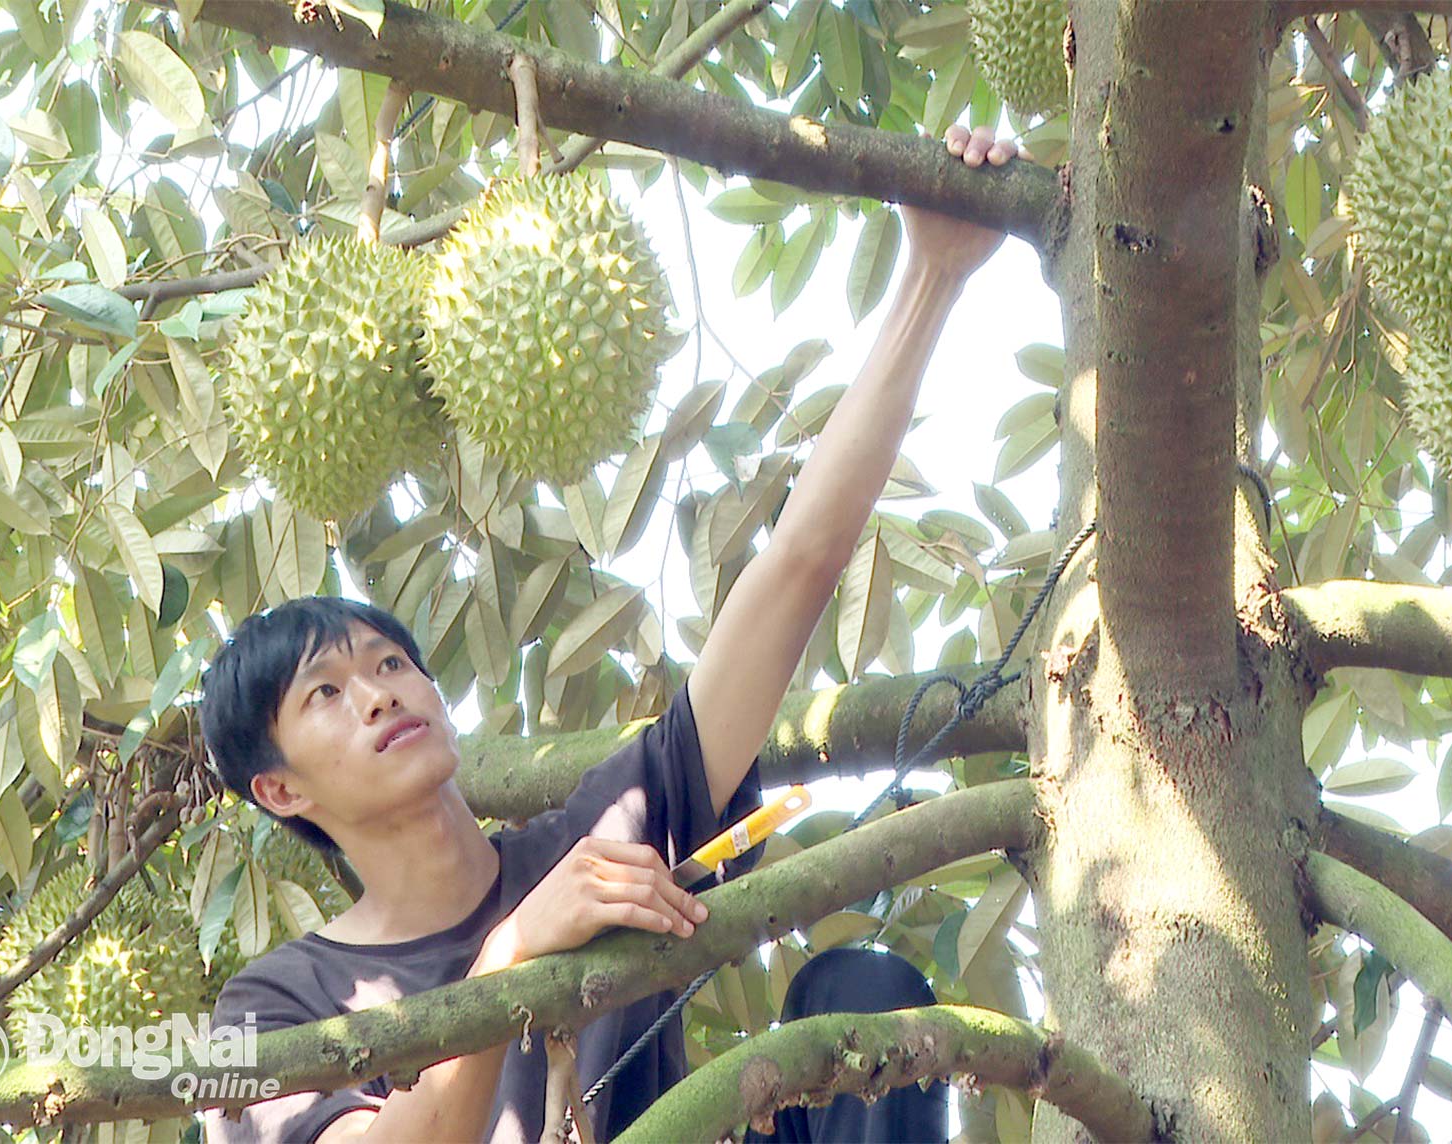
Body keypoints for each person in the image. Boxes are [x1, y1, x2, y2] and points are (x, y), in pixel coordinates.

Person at [197, 125, 1023, 1143]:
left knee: (867, 990)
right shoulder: (266, 1007)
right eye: (326, 692)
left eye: (391, 662)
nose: (379, 692)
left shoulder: (606, 835)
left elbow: (797, 567)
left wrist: (930, 277)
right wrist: (512, 957)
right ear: (278, 788)